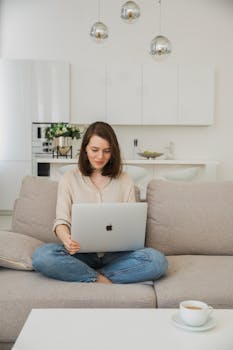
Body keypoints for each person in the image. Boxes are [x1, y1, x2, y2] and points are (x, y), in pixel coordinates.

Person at [32, 121, 168, 283]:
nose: (100, 157)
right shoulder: (69, 179)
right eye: (94, 150)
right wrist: (66, 239)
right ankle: (104, 278)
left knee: (157, 260)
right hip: (81, 253)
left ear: (113, 152)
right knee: (42, 256)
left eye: (107, 151)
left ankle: (88, 275)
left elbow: (131, 223)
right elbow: (61, 220)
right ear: (85, 149)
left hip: (117, 254)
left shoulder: (125, 180)